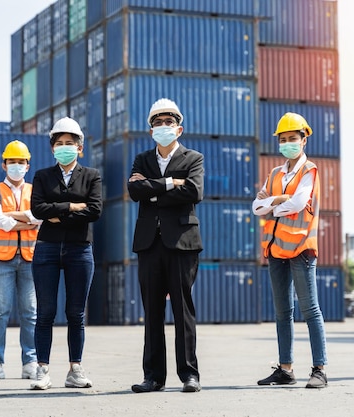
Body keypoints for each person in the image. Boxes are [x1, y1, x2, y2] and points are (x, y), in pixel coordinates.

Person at [128, 98, 204, 393]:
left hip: (183, 243)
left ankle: (189, 375)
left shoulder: (193, 158)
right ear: (150, 130)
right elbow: (135, 190)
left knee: (183, 310)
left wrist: (154, 187)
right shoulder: (141, 158)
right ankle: (154, 377)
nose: (163, 127)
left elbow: (195, 192)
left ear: (179, 128)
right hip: (149, 243)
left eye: (168, 122)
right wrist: (173, 183)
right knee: (153, 312)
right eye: (157, 123)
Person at [252, 112, 328, 389]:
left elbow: (297, 203)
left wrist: (273, 204)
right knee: (282, 312)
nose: (287, 143)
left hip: (301, 248)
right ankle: (285, 369)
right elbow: (255, 207)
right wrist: (280, 200)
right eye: (283, 140)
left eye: (292, 139)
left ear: (303, 140)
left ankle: (319, 369)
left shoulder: (310, 171)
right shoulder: (275, 173)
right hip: (275, 249)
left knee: (310, 310)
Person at [28, 117, 102, 390]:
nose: (64, 148)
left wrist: (57, 212)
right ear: (52, 148)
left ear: (80, 148)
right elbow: (38, 210)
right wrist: (72, 206)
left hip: (80, 249)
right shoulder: (42, 176)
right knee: (45, 312)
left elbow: (95, 210)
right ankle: (42, 370)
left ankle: (75, 369)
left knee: (75, 314)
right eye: (59, 144)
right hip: (46, 249)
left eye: (70, 143)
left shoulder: (92, 175)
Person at [0, 140, 41, 380]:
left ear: (28, 165)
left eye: (21, 162)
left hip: (29, 257)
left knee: (31, 312)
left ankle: (31, 362)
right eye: (12, 161)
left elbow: (41, 217)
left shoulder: (36, 191)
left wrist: (19, 218)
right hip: (1, 259)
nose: (16, 166)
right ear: (4, 165)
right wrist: (28, 220)